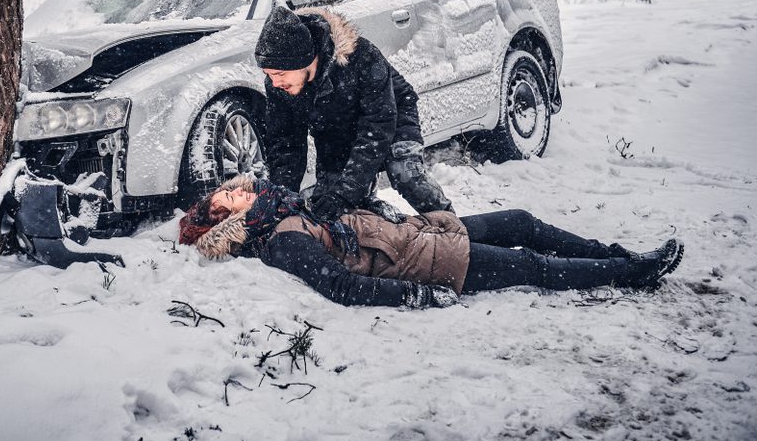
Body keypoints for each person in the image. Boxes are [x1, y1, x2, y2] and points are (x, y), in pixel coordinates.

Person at [178, 175, 684, 309]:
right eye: (227, 202)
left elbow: (360, 207)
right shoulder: (284, 238)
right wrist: (418, 295)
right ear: (229, 227)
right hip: (424, 263)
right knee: (527, 263)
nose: (236, 192)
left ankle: (616, 255)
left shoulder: (289, 205)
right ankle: (632, 273)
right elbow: (340, 287)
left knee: (521, 221)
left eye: (232, 187)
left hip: (419, 232)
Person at [254, 5, 452, 224]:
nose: (274, 82)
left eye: (280, 74)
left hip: (390, 116)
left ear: (303, 61)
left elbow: (378, 125)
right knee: (330, 204)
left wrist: (346, 192)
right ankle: (381, 231)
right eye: (268, 75)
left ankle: (452, 225)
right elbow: (285, 143)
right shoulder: (280, 85)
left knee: (404, 174)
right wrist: (281, 199)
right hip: (334, 128)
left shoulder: (361, 57)